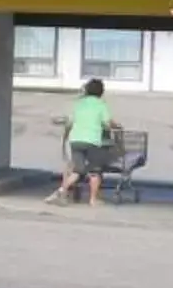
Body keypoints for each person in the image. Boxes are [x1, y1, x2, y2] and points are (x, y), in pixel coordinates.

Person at [51, 77, 121, 205]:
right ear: (101, 91)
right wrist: (117, 126)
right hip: (92, 141)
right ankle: (93, 200)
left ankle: (61, 191)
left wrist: (66, 137)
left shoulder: (78, 104)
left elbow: (70, 122)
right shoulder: (100, 105)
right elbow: (107, 123)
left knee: (78, 170)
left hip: (76, 140)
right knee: (95, 171)